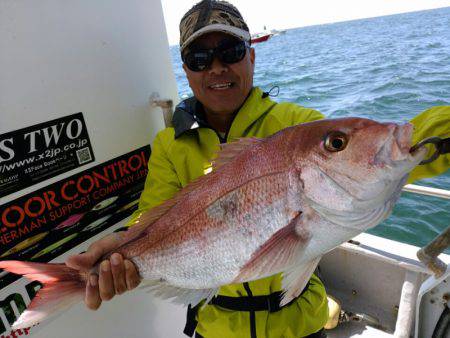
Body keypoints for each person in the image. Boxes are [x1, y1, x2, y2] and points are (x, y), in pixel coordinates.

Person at [66, 0, 450, 337]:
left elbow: (389, 164)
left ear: (251, 56)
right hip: (216, 329)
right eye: (200, 58)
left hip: (300, 322)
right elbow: (149, 222)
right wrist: (123, 248)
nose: (217, 67)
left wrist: (431, 135)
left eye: (230, 51)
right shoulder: (171, 144)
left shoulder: (297, 124)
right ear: (186, 70)